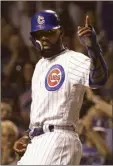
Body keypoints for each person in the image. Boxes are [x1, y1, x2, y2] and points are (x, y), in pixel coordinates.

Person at [14, 10, 108, 165]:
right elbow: (40, 111)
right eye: (39, 34)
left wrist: (93, 48)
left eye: (49, 32)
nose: (43, 38)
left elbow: (98, 80)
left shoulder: (72, 59)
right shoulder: (39, 66)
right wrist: (28, 136)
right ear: (32, 38)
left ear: (60, 33)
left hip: (60, 138)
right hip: (37, 142)